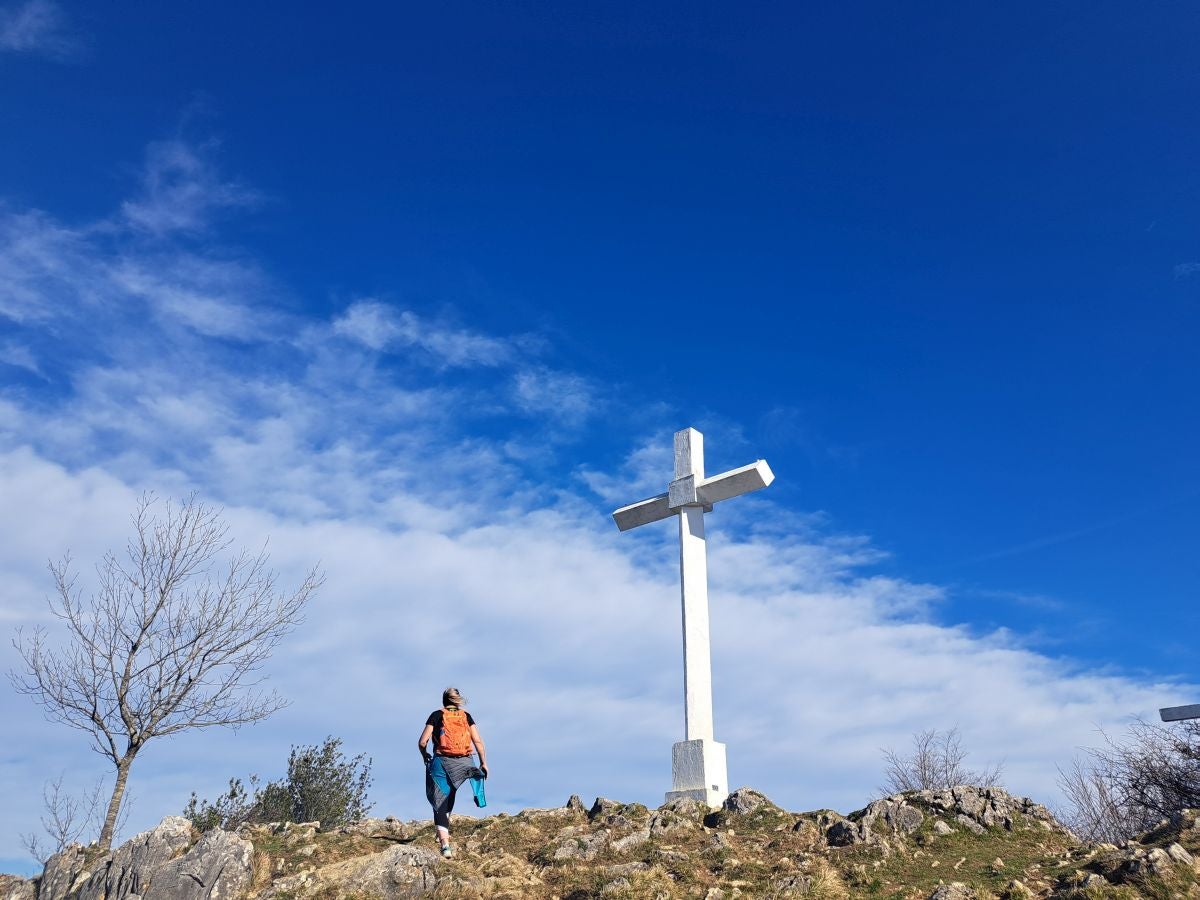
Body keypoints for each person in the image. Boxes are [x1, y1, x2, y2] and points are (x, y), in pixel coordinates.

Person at [418, 687, 488, 858]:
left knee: (439, 800)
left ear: (444, 701)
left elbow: (422, 741)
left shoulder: (436, 715)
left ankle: (445, 845)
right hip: (464, 762)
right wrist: (483, 762)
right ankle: (443, 830)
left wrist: (424, 754)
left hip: (441, 761)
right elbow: (477, 740)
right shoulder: (466, 716)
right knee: (451, 793)